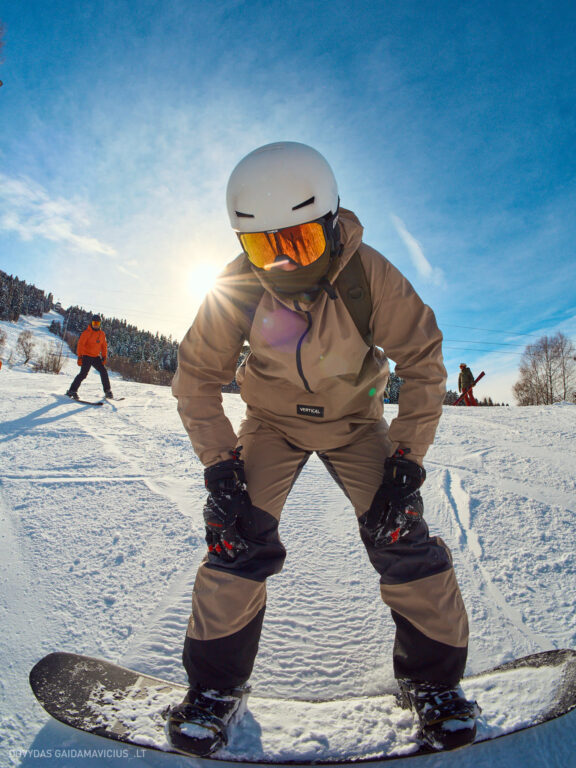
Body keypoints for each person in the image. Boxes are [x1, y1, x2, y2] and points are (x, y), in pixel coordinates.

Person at [168, 142, 478, 755]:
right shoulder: (238, 286)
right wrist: (220, 468)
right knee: (236, 535)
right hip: (272, 422)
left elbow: (423, 360)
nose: (282, 265)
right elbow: (196, 375)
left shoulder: (368, 277)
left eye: (300, 244)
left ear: (331, 223)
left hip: (354, 423)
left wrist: (407, 464)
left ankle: (434, 685)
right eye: (263, 248)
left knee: (400, 535)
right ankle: (215, 690)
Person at [66, 315, 113, 400]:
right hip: (86, 356)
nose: (96, 325)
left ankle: (108, 391)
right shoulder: (86, 333)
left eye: (97, 323)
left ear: (100, 324)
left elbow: (104, 346)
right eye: (94, 323)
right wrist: (80, 357)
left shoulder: (102, 334)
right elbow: (80, 345)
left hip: (95, 357)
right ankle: (72, 390)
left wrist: (104, 356)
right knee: (83, 374)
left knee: (104, 371)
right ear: (91, 323)